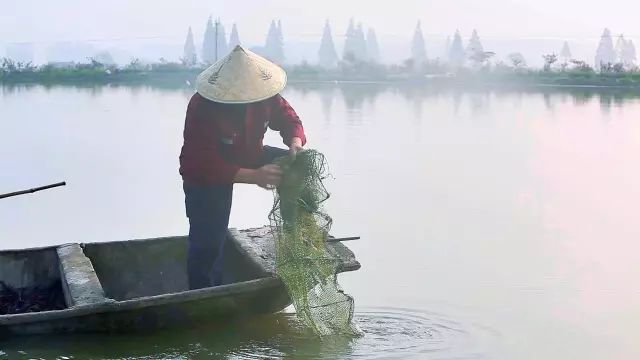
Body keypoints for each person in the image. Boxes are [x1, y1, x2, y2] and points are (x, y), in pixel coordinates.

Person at [179, 46, 306, 290]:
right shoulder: (202, 105)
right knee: (208, 242)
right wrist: (255, 176)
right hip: (205, 173)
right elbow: (203, 161)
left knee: (299, 168)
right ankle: (204, 294)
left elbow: (291, 121)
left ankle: (296, 238)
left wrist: (295, 143)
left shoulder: (268, 95)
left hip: (250, 153)